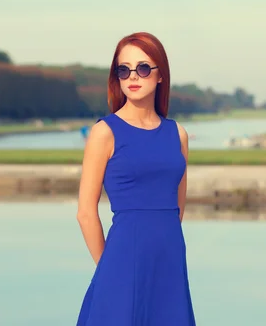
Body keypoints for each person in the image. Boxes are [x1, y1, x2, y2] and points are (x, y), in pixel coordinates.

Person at [76, 32, 196, 325]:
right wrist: (108, 268)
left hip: (169, 260)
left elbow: (177, 209)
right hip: (122, 260)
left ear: (160, 76)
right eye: (123, 69)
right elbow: (85, 213)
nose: (133, 76)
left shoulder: (177, 134)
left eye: (143, 68)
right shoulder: (104, 132)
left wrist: (160, 252)